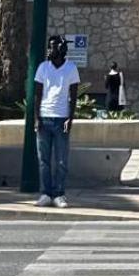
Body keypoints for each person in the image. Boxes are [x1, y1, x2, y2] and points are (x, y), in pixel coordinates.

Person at [33, 34, 80, 209]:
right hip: (44, 118)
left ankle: (59, 194)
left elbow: (73, 96)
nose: (50, 50)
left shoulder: (71, 68)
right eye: (49, 46)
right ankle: (45, 193)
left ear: (61, 49)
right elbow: (37, 94)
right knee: (43, 159)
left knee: (61, 160)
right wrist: (36, 118)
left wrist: (70, 118)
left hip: (61, 119)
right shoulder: (43, 68)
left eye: (53, 46)